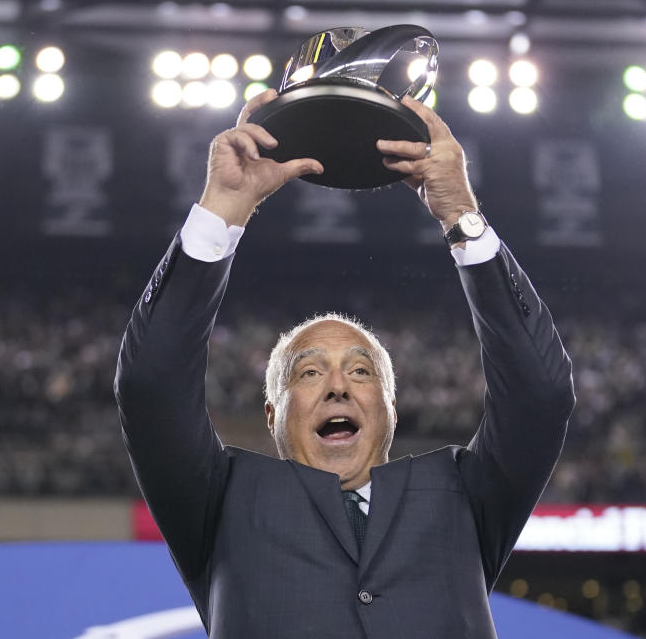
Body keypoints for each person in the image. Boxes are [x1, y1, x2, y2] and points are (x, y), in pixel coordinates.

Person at [114, 89, 575, 638]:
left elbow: (542, 393)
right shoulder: (220, 500)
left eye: (361, 372)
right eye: (309, 372)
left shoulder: (462, 493)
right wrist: (222, 212)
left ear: (390, 410)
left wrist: (461, 215)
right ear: (272, 413)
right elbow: (149, 383)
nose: (338, 386)